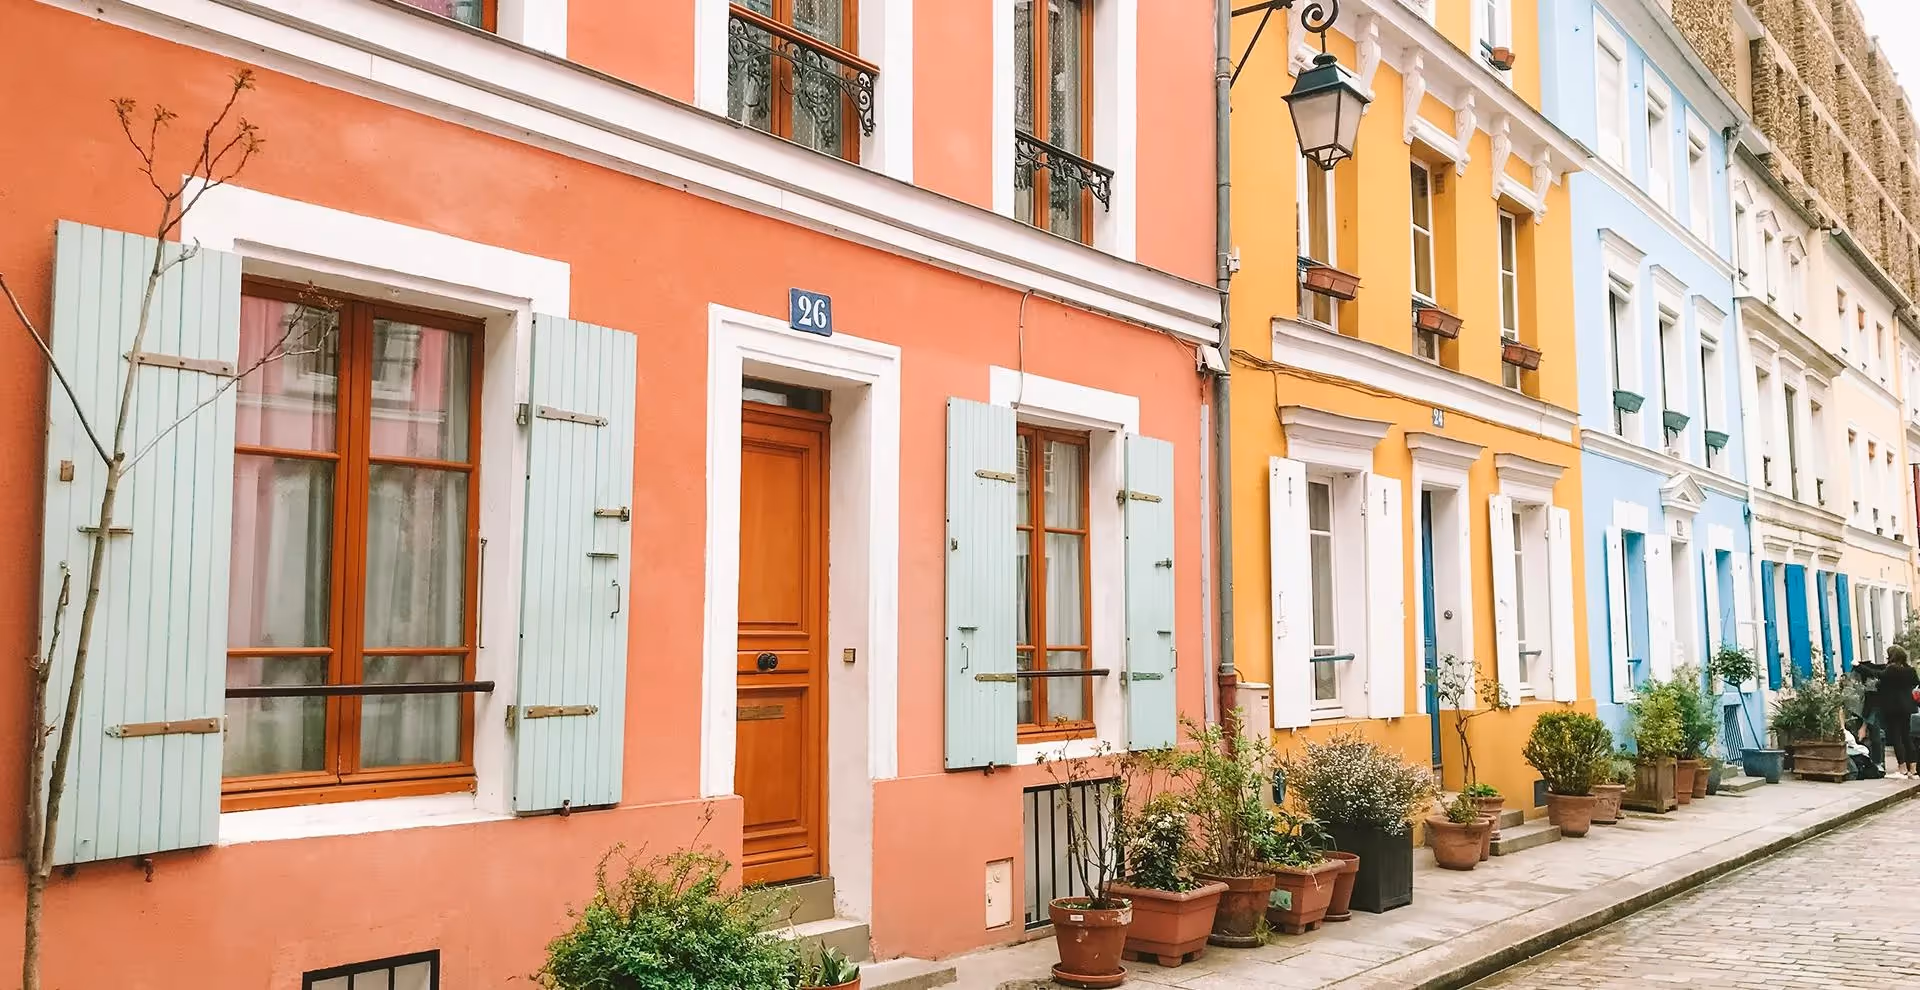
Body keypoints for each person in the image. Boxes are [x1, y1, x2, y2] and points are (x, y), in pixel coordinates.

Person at [1875, 646, 1920, 777]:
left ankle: (1902, 768)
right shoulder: (1910, 670)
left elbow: (1877, 674)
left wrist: (1859, 666)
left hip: (1893, 707)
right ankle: (1913, 768)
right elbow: (1916, 682)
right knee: (1906, 736)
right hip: (1907, 707)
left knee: (1896, 737)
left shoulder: (1891, 669)